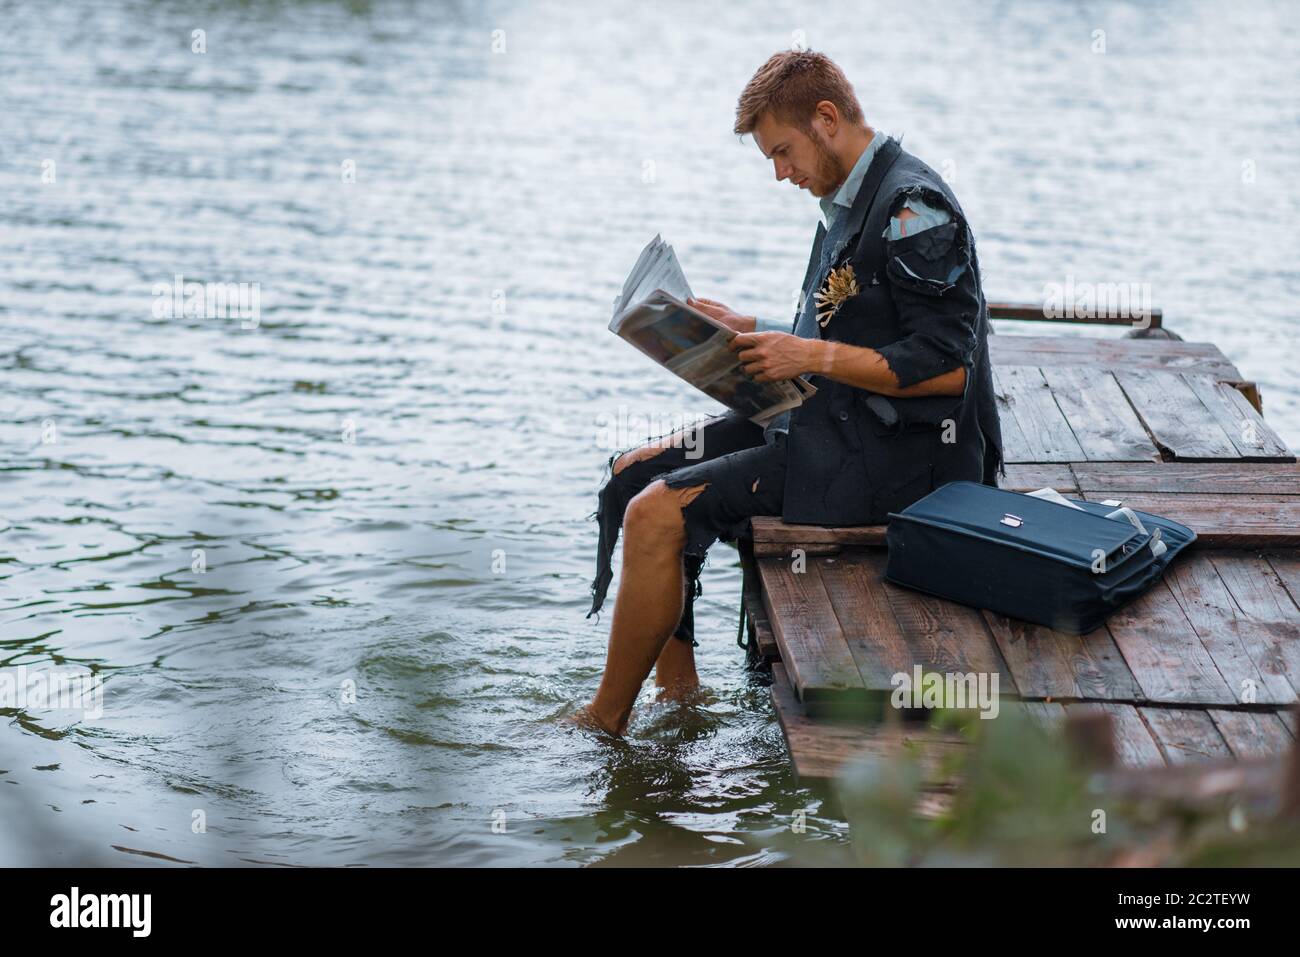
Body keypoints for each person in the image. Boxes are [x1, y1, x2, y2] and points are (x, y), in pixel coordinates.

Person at [573, 50, 1003, 737]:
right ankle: (678, 699)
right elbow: (853, 318)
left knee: (658, 514)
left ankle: (601, 723)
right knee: (633, 476)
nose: (779, 172)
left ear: (826, 119)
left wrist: (809, 353)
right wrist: (755, 330)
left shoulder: (913, 208)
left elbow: (950, 367)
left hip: (897, 462)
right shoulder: (847, 196)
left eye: (782, 150)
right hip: (824, 418)